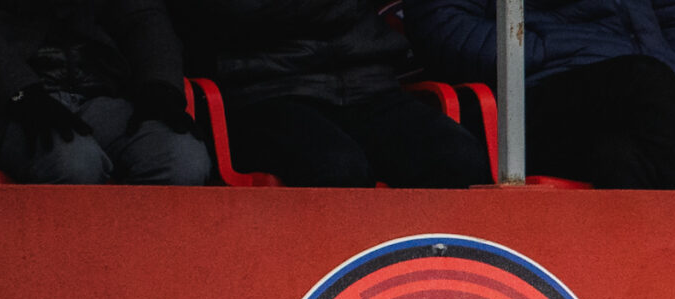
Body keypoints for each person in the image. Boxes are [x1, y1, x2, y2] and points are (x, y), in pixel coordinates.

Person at [174, 0, 491, 187]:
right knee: (337, 169)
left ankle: (431, 279)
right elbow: (233, 10)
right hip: (265, 88)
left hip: (367, 82)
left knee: (458, 158)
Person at [0, 0, 214, 184]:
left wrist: (159, 85)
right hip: (0, 101)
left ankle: (141, 272)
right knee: (74, 162)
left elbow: (144, 15)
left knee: (181, 158)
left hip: (101, 93)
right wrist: (18, 90)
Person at [407, 0, 675, 189]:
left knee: (621, 157)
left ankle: (663, 268)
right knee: (644, 80)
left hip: (641, 100)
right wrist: (543, 49)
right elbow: (442, 26)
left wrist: (670, 64)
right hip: (523, 103)